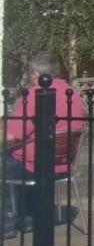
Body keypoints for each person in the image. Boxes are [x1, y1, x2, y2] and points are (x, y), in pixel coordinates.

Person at [4, 52, 85, 222]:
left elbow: (11, 137)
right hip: (64, 167)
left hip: (35, 168)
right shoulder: (74, 95)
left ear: (35, 74)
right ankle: (28, 215)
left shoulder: (34, 95)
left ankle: (9, 221)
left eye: (29, 74)